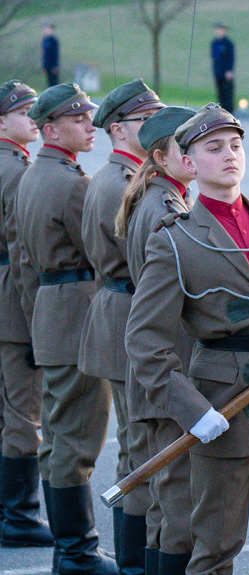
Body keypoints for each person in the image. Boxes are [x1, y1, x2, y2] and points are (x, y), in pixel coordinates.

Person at [124, 103, 249, 575]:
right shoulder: (174, 239)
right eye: (214, 148)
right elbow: (145, 341)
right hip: (221, 405)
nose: (229, 155)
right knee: (216, 549)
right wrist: (191, 411)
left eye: (236, 145)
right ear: (191, 164)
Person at [16, 83, 118, 574]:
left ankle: (70, 549)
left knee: (58, 437)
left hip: (52, 308)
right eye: (78, 121)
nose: (89, 126)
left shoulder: (35, 174)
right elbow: (103, 252)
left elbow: (20, 259)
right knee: (77, 438)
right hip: (80, 312)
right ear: (51, 128)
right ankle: (76, 552)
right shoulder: (74, 183)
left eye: (89, 118)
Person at [79, 78, 164, 575]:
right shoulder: (123, 183)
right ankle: (135, 563)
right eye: (145, 122)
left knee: (138, 445)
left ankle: (135, 558)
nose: (156, 130)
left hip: (119, 312)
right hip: (128, 315)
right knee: (140, 449)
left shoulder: (118, 177)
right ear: (118, 129)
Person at [115, 105, 197, 574]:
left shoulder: (154, 197)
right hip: (169, 356)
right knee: (176, 501)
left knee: (165, 498)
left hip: (156, 354)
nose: (192, 154)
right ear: (160, 156)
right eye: (184, 147)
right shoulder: (167, 208)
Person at [0, 80, 53, 549]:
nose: (33, 117)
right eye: (23, 111)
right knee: (22, 411)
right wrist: (38, 320)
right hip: (10, 305)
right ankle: (18, 515)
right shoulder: (15, 170)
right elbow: (22, 254)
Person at [210, 23, 235, 113]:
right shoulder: (214, 42)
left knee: (227, 92)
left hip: (226, 72)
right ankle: (220, 110)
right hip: (218, 72)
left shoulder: (228, 43)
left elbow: (231, 58)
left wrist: (229, 70)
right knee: (220, 92)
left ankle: (229, 111)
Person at [41, 22, 60, 87]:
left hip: (53, 66)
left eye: (48, 28)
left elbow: (55, 54)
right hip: (47, 65)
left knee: (54, 83)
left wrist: (55, 66)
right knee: (49, 83)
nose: (46, 30)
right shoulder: (45, 40)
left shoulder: (54, 40)